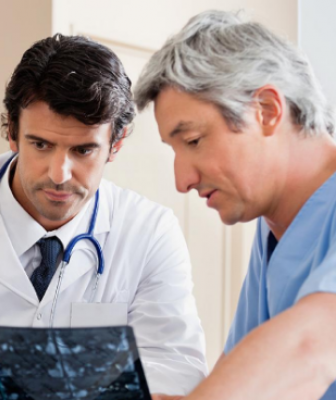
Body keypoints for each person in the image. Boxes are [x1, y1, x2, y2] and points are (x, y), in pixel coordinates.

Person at [0, 34, 208, 395]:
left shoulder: (150, 233)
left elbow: (176, 371)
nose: (59, 174)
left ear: (116, 143)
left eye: (83, 150)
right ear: (12, 132)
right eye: (41, 145)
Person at [134, 9, 336, 400]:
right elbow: (239, 379)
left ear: (267, 111)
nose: (182, 180)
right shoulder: (274, 225)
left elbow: (310, 348)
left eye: (193, 141)